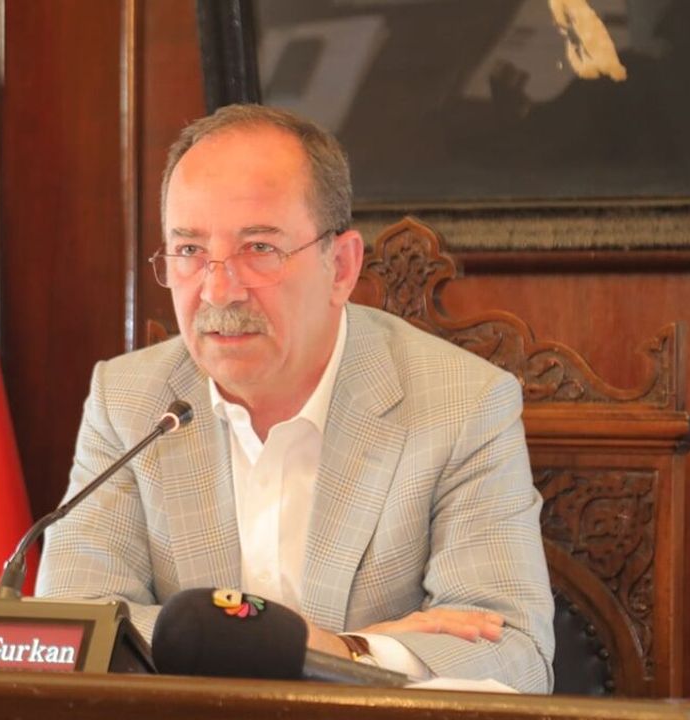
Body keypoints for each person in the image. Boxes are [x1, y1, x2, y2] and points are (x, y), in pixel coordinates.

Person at [36, 103, 554, 692]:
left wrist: (345, 651)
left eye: (259, 248)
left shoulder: (462, 405)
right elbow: (71, 627)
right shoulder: (128, 400)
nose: (218, 290)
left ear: (342, 267)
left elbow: (516, 655)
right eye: (189, 251)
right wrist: (312, 649)